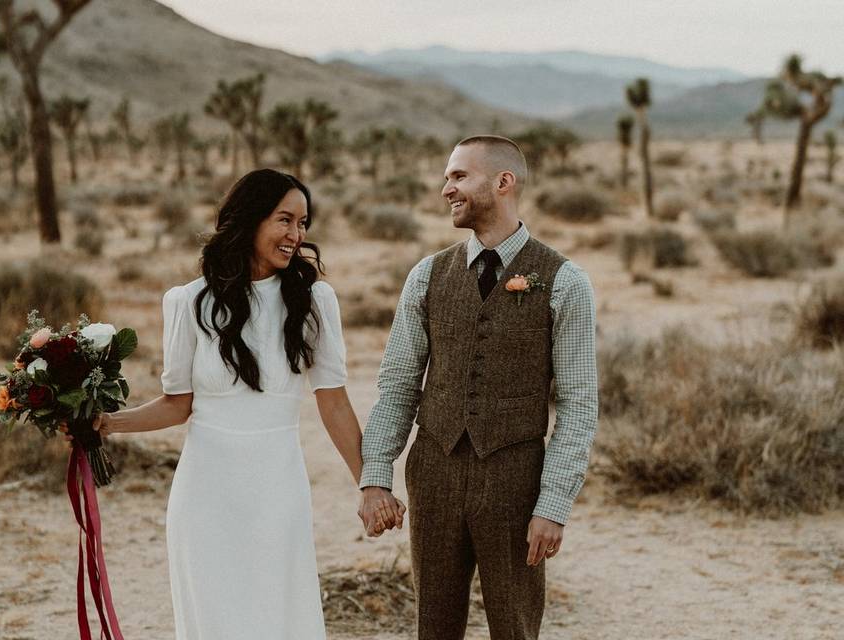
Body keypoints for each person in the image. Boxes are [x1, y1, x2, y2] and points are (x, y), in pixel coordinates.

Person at [78, 168, 404, 639]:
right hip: (205, 488)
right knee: (213, 618)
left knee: (279, 614)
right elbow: (177, 405)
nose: (296, 235)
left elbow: (333, 403)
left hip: (277, 483)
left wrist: (371, 485)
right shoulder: (190, 302)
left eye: (303, 223)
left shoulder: (314, 300)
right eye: (284, 220)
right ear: (249, 220)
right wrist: (107, 423)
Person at [358, 136, 599, 639]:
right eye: (448, 177)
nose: (446, 188)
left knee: (514, 628)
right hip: (435, 472)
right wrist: (376, 473)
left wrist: (552, 504)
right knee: (434, 627)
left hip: (515, 480)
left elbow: (577, 405)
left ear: (503, 182)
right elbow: (399, 384)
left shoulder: (564, 281)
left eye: (459, 176)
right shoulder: (426, 275)